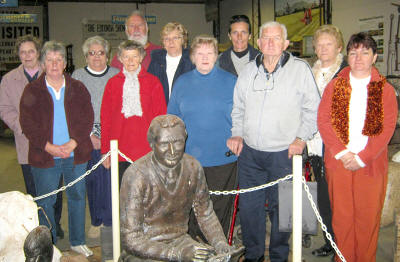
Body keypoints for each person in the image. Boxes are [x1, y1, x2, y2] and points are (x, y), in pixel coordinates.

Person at [226, 21, 320, 261]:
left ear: (285, 43)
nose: (269, 43)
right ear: (257, 43)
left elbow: (313, 109)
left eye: (276, 38)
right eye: (265, 38)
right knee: (250, 210)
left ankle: (279, 256)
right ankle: (254, 255)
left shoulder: (300, 70)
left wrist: (301, 139)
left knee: (282, 211)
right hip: (250, 155)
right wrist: (237, 132)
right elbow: (238, 107)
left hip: (284, 154)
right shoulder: (248, 71)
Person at [318, 32, 398, 262]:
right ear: (347, 55)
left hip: (370, 164)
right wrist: (344, 154)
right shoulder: (335, 87)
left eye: (365, 52)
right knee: (342, 219)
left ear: (374, 57)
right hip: (339, 162)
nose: (359, 58)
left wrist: (362, 157)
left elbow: (387, 128)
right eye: (353, 53)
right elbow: (324, 121)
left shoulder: (384, 90)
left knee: (367, 219)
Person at [119, 114, 237, 262]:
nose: (172, 151)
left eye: (178, 142)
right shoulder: (136, 175)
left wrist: (220, 243)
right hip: (145, 249)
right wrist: (176, 254)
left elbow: (205, 214)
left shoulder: (193, 167)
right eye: (163, 144)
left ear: (185, 139)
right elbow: (131, 238)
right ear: (152, 143)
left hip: (181, 242)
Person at [19, 41, 94, 257]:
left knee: (78, 197)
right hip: (45, 156)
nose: (54, 64)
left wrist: (73, 142)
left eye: (58, 59)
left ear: (64, 63)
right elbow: (28, 124)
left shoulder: (77, 87)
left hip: (75, 154)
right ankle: (47, 246)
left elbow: (86, 118)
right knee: (45, 201)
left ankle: (78, 241)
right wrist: (48, 146)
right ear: (43, 63)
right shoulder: (32, 90)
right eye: (50, 60)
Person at [168, 35, 238, 241]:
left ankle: (218, 250)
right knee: (190, 209)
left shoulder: (231, 81)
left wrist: (238, 137)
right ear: (192, 57)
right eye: (200, 53)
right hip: (189, 160)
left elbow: (242, 116)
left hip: (223, 159)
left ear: (217, 55)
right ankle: (194, 250)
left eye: (209, 53)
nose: (205, 57)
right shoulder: (182, 83)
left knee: (218, 209)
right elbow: (172, 119)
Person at [0, 35, 64, 240]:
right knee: (33, 188)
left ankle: (55, 223)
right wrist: (22, 127)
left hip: (52, 140)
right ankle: (40, 228)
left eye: (31, 51)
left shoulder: (52, 73)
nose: (27, 56)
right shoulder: (9, 79)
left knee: (56, 186)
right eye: (23, 52)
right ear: (18, 55)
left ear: (39, 53)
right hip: (26, 142)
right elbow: (5, 109)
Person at [72, 36, 119, 239]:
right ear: (86, 56)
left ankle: (110, 220)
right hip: (87, 135)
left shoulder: (117, 74)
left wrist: (110, 137)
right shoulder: (78, 76)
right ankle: (96, 221)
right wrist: (90, 135)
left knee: (111, 179)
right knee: (93, 180)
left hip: (114, 134)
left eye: (101, 53)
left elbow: (120, 108)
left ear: (107, 55)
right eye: (92, 53)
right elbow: (74, 109)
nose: (97, 57)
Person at [306, 24, 347, 257]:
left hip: (337, 146)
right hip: (315, 145)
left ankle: (342, 242)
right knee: (323, 197)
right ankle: (330, 240)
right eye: (319, 44)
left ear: (338, 46)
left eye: (328, 44)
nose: (323, 48)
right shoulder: (310, 72)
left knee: (339, 199)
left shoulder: (345, 72)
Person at [101, 40, 166, 183]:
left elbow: (160, 118)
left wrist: (160, 147)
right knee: (123, 196)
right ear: (120, 58)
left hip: (147, 150)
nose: (130, 61)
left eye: (135, 56)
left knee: (148, 196)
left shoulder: (153, 82)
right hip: (119, 150)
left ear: (141, 57)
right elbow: (106, 119)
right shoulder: (112, 83)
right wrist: (105, 150)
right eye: (126, 56)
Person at [148, 22, 194, 104]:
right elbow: (148, 89)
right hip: (161, 112)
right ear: (163, 42)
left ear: (183, 40)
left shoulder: (192, 62)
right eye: (167, 39)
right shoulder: (156, 61)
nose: (171, 42)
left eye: (175, 38)